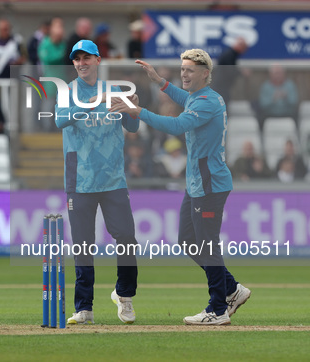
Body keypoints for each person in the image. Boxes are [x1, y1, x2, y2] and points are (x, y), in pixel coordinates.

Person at [111, 48, 251, 325]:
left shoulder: (206, 103)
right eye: (182, 69)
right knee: (188, 241)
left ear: (205, 74)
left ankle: (218, 309)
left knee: (207, 245)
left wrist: (137, 111)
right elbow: (183, 97)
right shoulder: (200, 97)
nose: (184, 74)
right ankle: (232, 289)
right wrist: (159, 81)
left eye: (189, 70)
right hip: (198, 183)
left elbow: (177, 126)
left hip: (209, 184)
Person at [56, 39, 139, 326]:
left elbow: (132, 126)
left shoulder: (115, 90)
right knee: (83, 245)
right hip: (79, 179)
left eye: (86, 58)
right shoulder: (68, 92)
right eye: (76, 59)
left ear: (98, 60)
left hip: (113, 178)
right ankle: (84, 308)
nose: (81, 63)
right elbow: (59, 120)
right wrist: (91, 104)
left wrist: (132, 110)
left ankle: (125, 297)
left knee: (127, 239)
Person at [213, 37, 249, 103]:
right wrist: (241, 72)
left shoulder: (231, 54)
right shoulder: (229, 55)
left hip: (222, 87)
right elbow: (230, 71)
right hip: (221, 87)